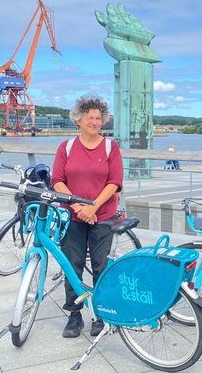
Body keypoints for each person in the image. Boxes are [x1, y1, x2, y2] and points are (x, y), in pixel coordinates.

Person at [51, 95, 124, 338]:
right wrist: (78, 208)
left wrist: (92, 207)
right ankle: (74, 314)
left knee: (100, 265)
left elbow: (114, 182)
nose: (94, 121)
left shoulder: (110, 147)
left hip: (102, 214)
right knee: (73, 265)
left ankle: (102, 313)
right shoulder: (67, 147)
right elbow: (57, 181)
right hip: (73, 216)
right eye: (89, 117)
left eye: (98, 118)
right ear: (78, 121)